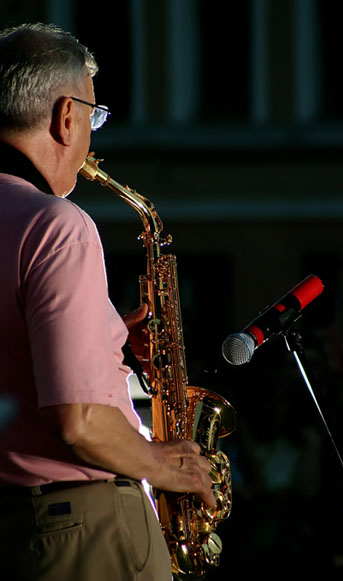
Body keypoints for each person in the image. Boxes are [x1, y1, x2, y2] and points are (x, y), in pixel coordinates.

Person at [0, 22, 215, 581]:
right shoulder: (57, 225)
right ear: (64, 117)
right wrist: (165, 465)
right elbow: (80, 421)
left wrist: (104, 338)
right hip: (80, 527)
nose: (92, 139)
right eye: (94, 117)